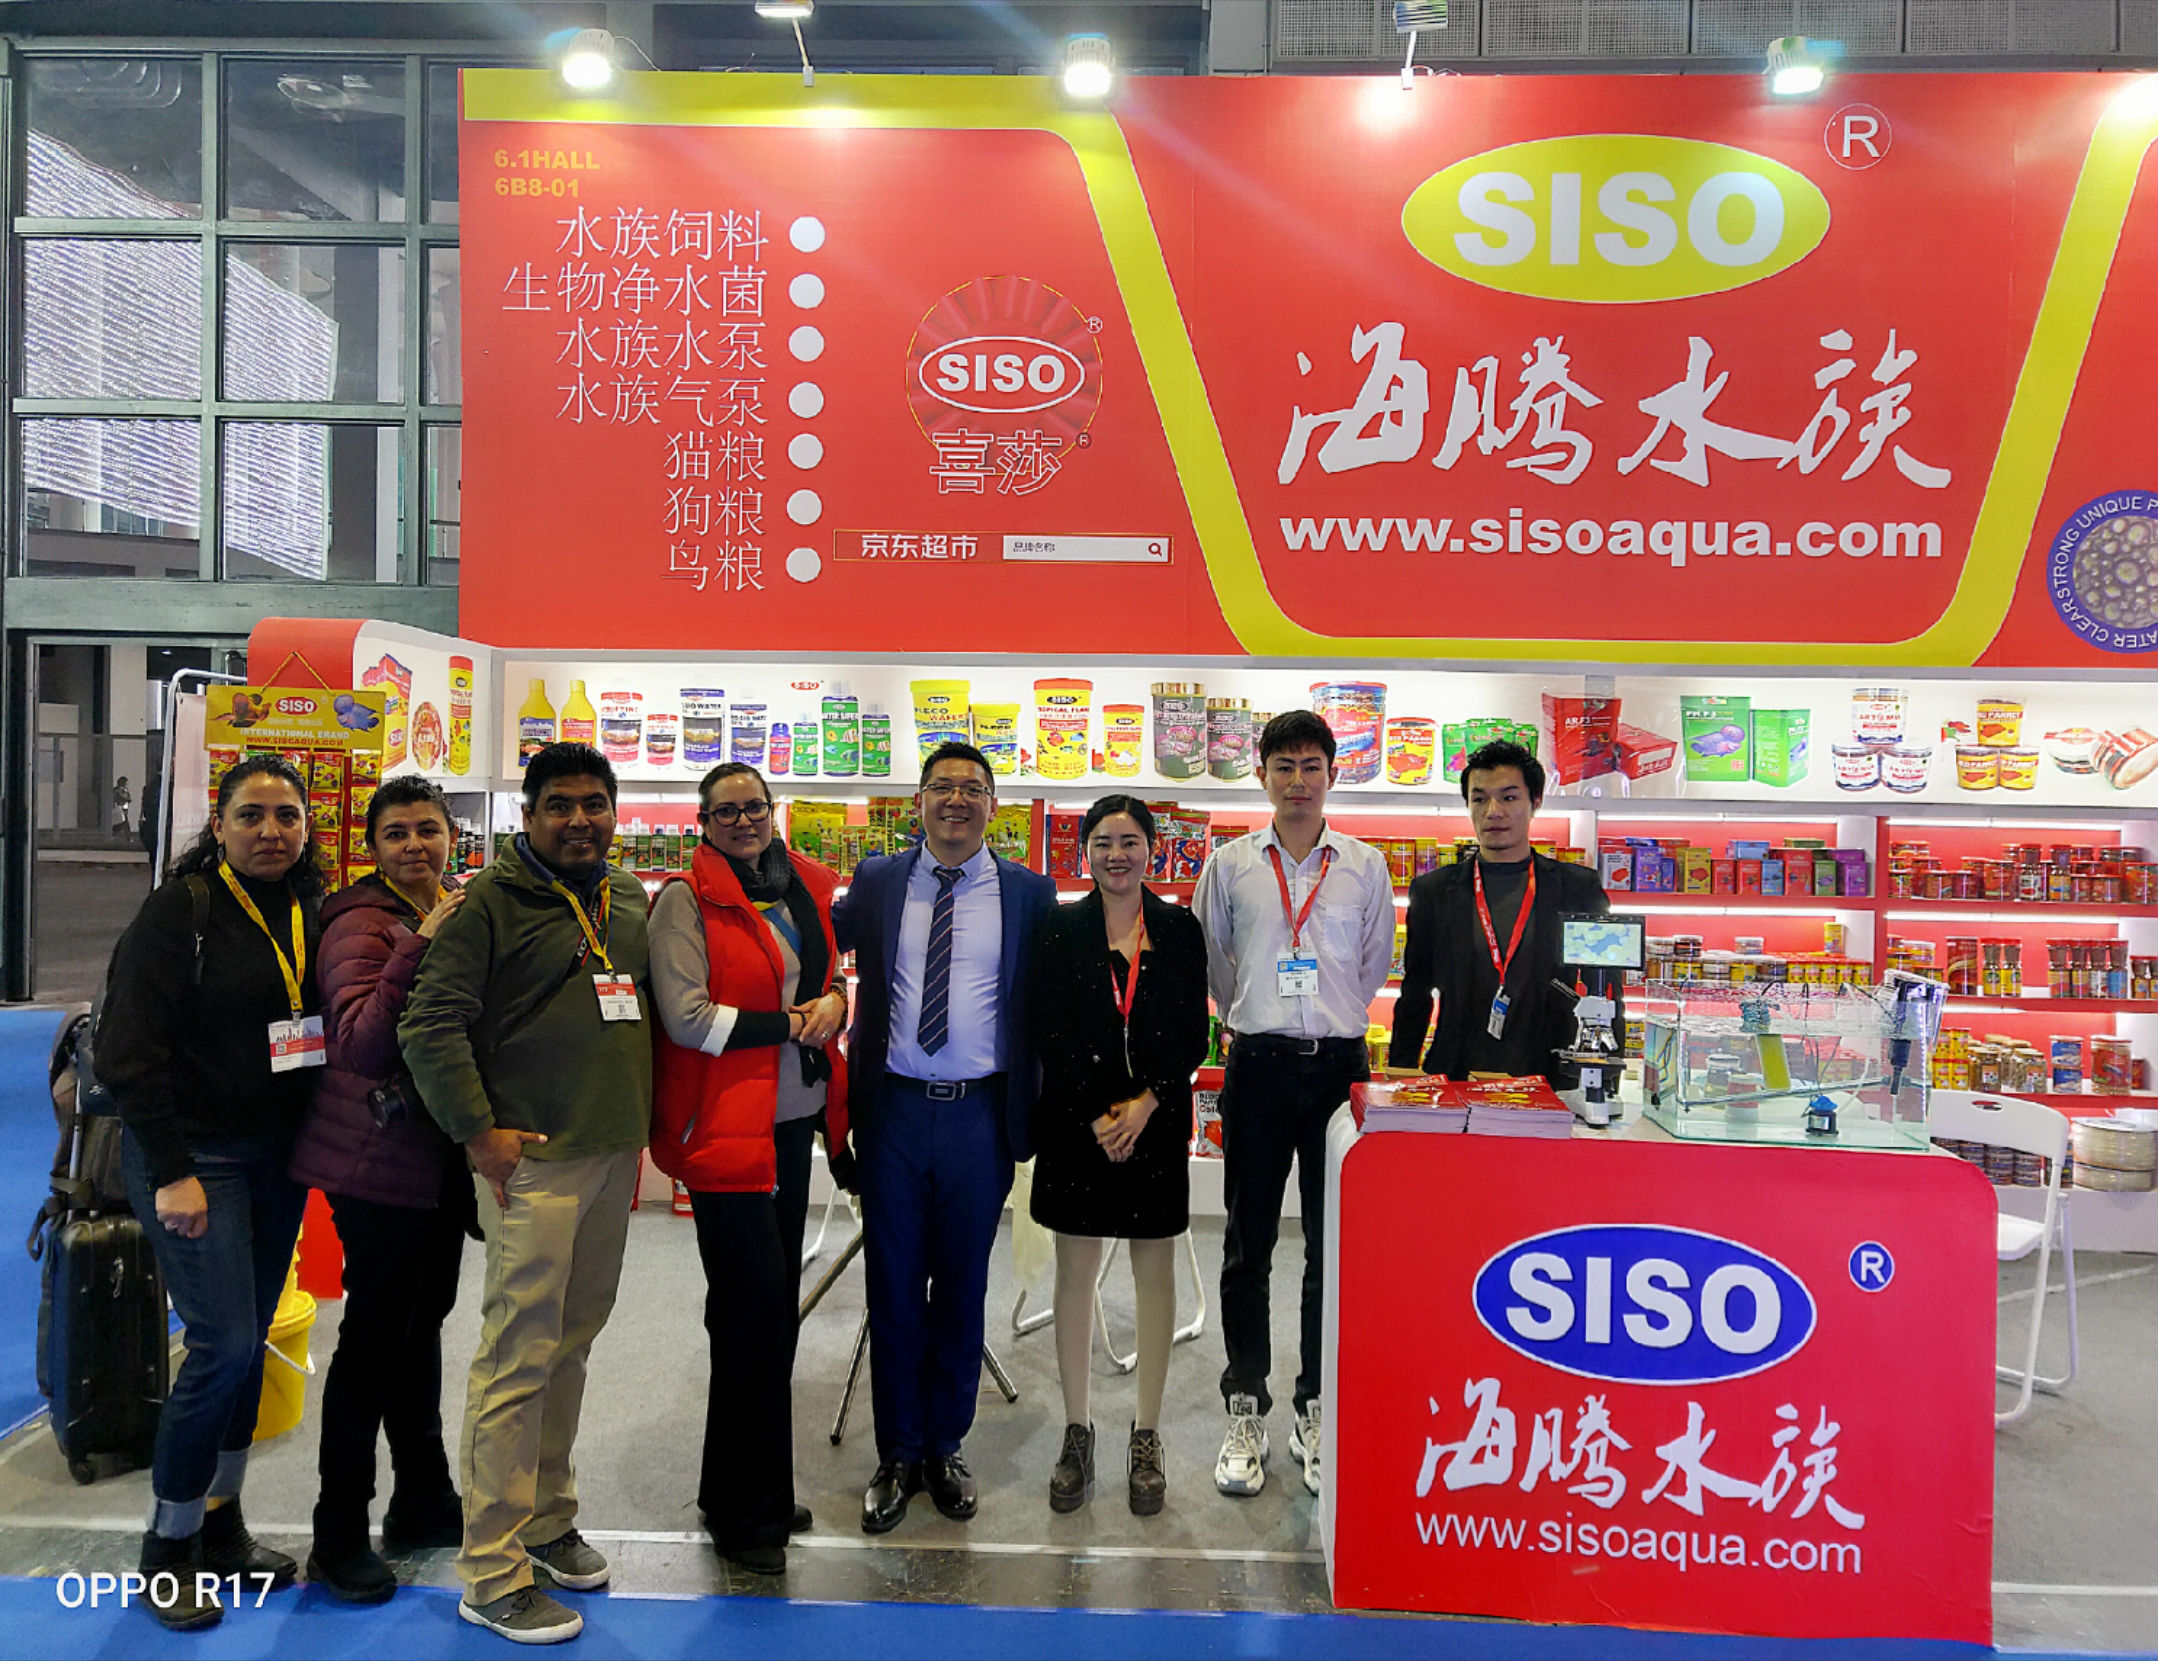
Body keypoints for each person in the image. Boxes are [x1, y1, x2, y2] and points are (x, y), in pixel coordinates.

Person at [400, 743, 653, 1646]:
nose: (580, 819)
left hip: (611, 1154)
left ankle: (547, 1519)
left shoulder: (627, 897)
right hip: (531, 1165)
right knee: (517, 1355)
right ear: (529, 815)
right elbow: (427, 1021)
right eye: (560, 805)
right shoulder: (488, 903)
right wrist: (478, 1130)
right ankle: (491, 1569)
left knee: (571, 1345)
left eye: (594, 803)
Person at [98, 754, 328, 1631]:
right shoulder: (180, 911)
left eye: (286, 815)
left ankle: (222, 1526)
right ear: (220, 826)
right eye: (251, 815)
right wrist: (171, 1170)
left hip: (279, 1160)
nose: (271, 830)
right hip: (197, 1160)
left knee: (251, 1343)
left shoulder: (309, 907)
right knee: (223, 1344)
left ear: (307, 825)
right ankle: (168, 1550)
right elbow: (128, 1054)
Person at [832, 741, 1056, 1535]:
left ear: (993, 804)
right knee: (892, 1284)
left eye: (972, 788)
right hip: (892, 1111)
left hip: (979, 1115)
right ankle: (896, 1453)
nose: (956, 799)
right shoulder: (877, 881)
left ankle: (945, 1446)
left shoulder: (1030, 892)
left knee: (963, 1285)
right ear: (919, 801)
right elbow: (816, 945)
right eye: (941, 786)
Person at [648, 762, 850, 1576]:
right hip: (724, 1133)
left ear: (774, 810)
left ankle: (742, 1486)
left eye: (754, 806)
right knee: (751, 1313)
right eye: (725, 810)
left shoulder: (801, 885)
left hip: (790, 1124)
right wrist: (796, 1022)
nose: (743, 820)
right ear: (702, 820)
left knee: (767, 1317)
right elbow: (688, 1018)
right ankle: (748, 1516)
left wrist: (835, 1002)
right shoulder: (683, 901)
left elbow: (827, 978)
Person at [1191, 710, 1394, 1501]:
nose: (1298, 780)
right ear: (1262, 775)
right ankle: (1246, 1403)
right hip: (1258, 1065)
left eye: (1312, 765)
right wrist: (1257, 1014)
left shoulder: (1365, 866)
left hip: (1340, 1068)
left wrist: (1325, 1016)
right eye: (1284, 765)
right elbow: (1215, 962)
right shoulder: (1230, 864)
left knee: (1329, 1245)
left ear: (1332, 774)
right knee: (1247, 1241)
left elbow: (1371, 966)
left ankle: (1315, 1404)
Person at [287, 775, 471, 1602]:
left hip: (432, 1156)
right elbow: (360, 1043)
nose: (414, 845)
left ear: (450, 836)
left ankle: (422, 1495)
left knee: (418, 1326)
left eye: (427, 829)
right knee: (372, 1341)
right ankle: (337, 1532)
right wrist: (420, 942)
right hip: (374, 1158)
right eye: (396, 833)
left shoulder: (448, 904)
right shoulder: (361, 922)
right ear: (372, 847)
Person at [1027, 795, 1210, 1516]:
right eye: (1103, 841)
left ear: (1151, 850)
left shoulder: (1178, 928)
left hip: (1154, 1123)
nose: (1117, 854)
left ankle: (1147, 1431)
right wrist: (1099, 1114)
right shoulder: (1059, 928)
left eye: (1130, 841)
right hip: (1078, 1124)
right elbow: (1048, 1029)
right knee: (1075, 1273)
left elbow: (1192, 1032)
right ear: (1085, 852)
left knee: (1154, 1272)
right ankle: (1077, 1429)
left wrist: (1145, 1103)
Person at [1390, 738, 1616, 1087]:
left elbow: (1608, 991)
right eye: (1479, 799)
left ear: (1535, 802)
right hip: (1455, 1076)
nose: (1493, 811)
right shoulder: (1433, 891)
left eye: (1509, 798)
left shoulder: (1578, 888)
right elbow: (1415, 994)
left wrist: (1606, 1083)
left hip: (1550, 1079)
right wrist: (1400, 1078)